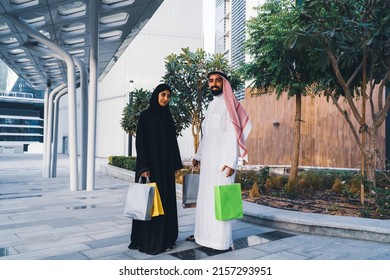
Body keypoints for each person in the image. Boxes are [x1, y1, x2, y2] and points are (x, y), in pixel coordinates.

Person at [186, 70, 252, 250]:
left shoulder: (229, 105)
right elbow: (206, 135)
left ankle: (220, 241)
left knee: (220, 199)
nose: (214, 83)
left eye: (217, 80)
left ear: (224, 83)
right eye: (211, 81)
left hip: (223, 163)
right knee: (206, 199)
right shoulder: (210, 105)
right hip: (208, 162)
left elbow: (233, 134)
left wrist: (231, 162)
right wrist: (198, 156)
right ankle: (203, 236)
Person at [128, 83, 183, 255]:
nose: (165, 99)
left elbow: (173, 142)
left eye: (168, 96)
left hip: (165, 169)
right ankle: (149, 240)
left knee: (165, 202)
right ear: (156, 95)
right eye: (163, 95)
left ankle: (166, 238)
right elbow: (141, 142)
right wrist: (143, 167)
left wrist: (175, 164)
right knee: (151, 203)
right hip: (151, 168)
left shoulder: (168, 116)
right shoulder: (146, 116)